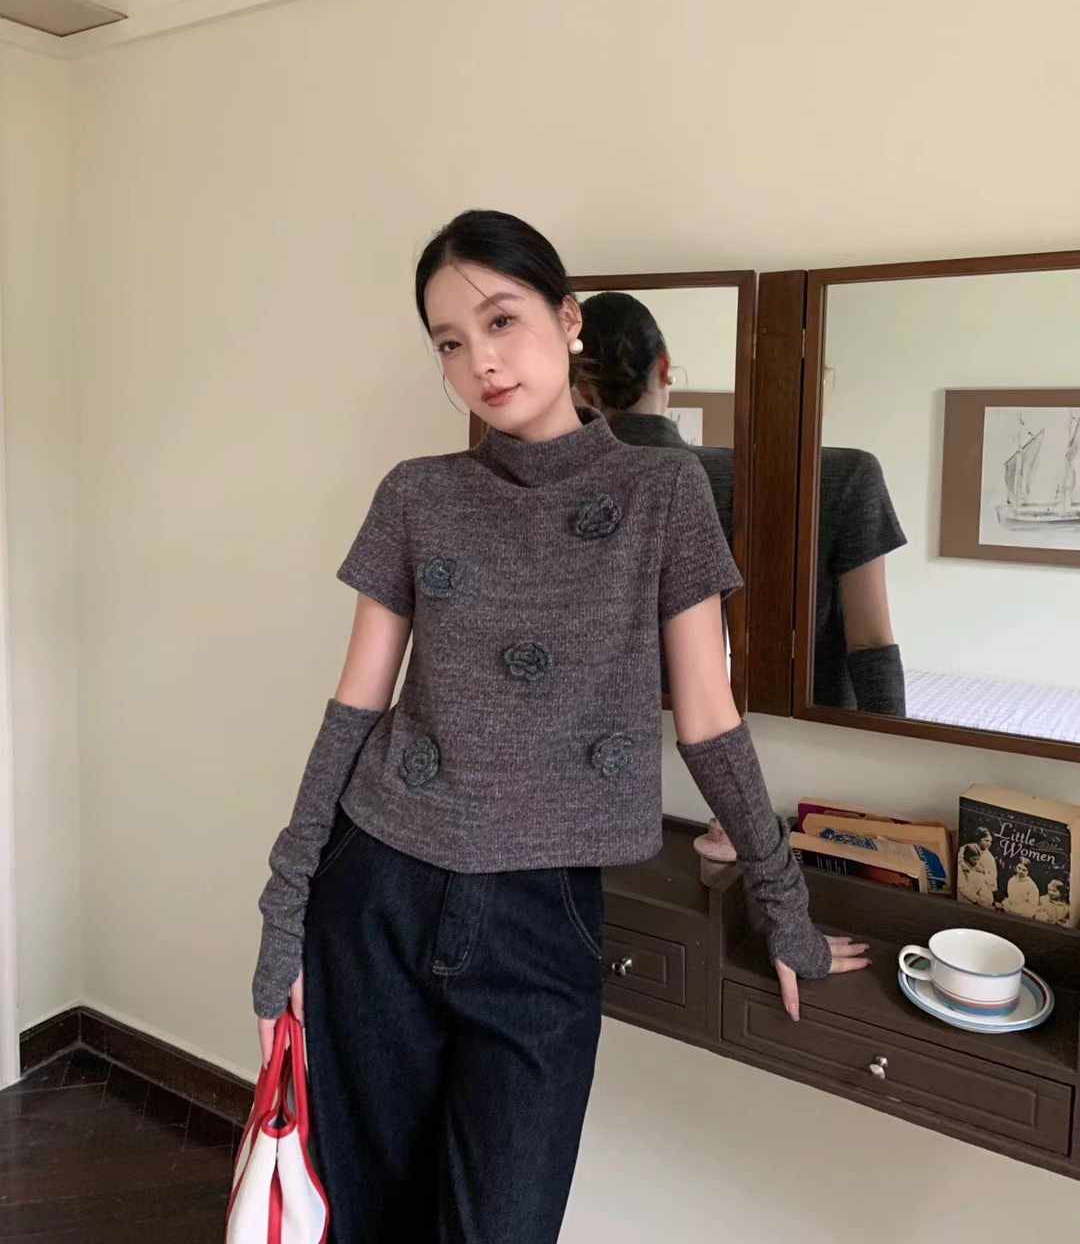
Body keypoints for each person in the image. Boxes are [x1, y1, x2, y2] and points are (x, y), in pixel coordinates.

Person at [250, 210, 871, 1244]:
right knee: (371, 1216)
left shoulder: (663, 491)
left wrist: (783, 905)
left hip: (542, 915)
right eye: (450, 343)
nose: (481, 363)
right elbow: (356, 704)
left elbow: (708, 716)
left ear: (569, 318)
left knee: (503, 1224)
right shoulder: (417, 494)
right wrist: (286, 907)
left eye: (501, 321)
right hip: (379, 890)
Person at [571, 290, 908, 716]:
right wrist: (889, 743)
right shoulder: (844, 478)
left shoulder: (560, 491)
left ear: (583, 391)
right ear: (665, 368)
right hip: (800, 734)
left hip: (611, 727)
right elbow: (871, 643)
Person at [957, 843, 994, 908]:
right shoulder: (960, 869)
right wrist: (978, 900)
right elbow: (963, 888)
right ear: (967, 858)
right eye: (974, 859)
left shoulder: (977, 868)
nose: (976, 862)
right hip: (966, 901)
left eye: (977, 859)